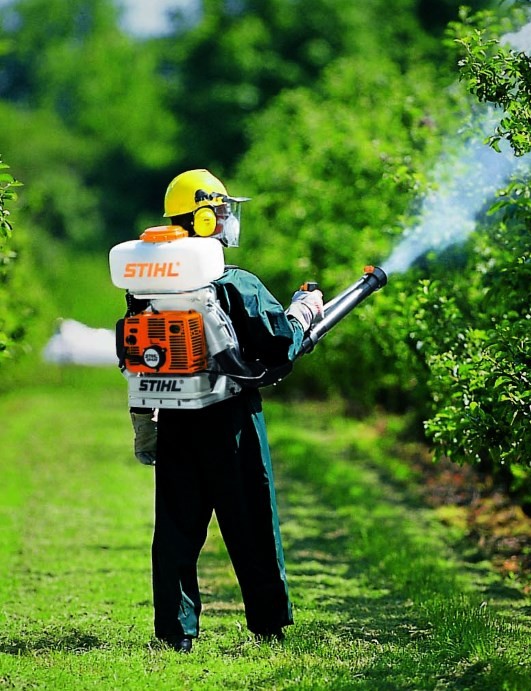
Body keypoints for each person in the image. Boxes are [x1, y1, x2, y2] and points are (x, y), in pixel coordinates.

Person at [127, 169, 323, 653]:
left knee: (176, 530)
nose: (226, 219)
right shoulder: (234, 283)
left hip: (175, 418)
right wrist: (304, 312)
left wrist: (143, 424)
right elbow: (278, 344)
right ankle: (268, 624)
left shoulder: (144, 286)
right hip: (232, 421)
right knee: (252, 520)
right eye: (221, 210)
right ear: (204, 215)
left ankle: (176, 633)